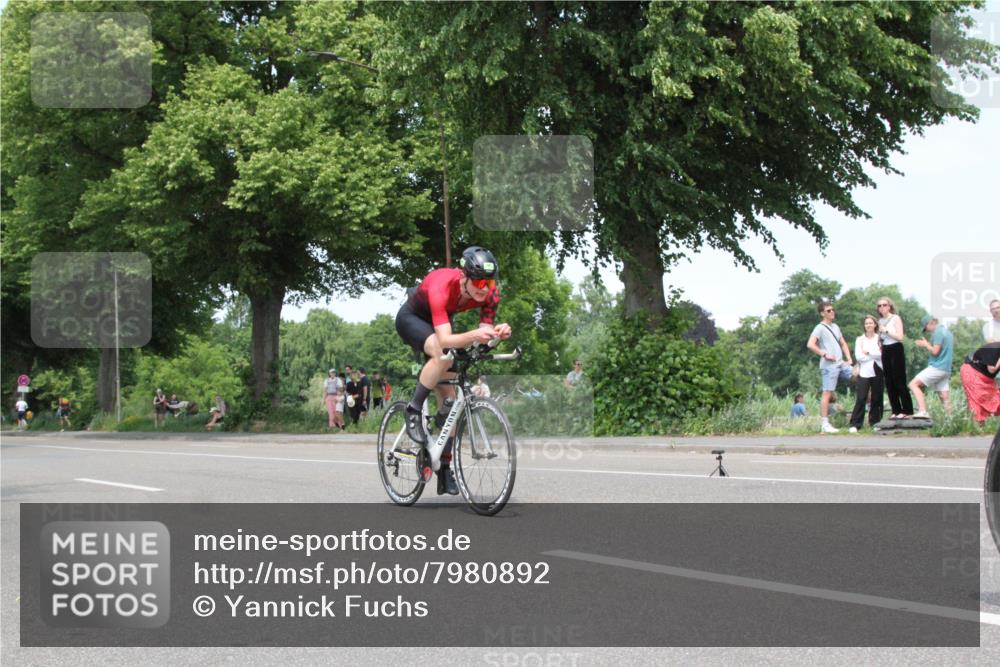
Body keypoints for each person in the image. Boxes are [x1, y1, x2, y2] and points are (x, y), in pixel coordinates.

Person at [394, 245, 512, 495]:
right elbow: (446, 340)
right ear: (463, 276)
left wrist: (497, 335)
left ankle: (444, 468)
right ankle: (414, 410)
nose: (485, 290)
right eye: (479, 284)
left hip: (442, 322)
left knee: (450, 403)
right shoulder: (441, 284)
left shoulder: (490, 294)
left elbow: (483, 341)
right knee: (442, 353)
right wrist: (473, 334)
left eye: (489, 284)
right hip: (413, 319)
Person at [806, 301, 854, 434]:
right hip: (829, 366)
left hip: (841, 363)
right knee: (827, 393)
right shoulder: (820, 327)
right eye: (828, 310)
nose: (832, 312)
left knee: (860, 376)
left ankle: (868, 406)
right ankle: (825, 424)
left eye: (833, 310)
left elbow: (843, 343)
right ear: (822, 313)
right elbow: (810, 344)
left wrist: (849, 359)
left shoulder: (836, 327)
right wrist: (824, 353)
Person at [909, 314, 954, 418]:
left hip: (937, 367)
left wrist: (925, 345)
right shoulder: (947, 332)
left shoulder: (938, 332)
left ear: (930, 323)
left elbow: (935, 351)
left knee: (913, 384)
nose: (927, 331)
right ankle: (951, 420)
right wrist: (927, 344)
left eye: (926, 328)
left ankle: (923, 411)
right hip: (946, 369)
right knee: (944, 397)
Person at [877, 297, 913, 419]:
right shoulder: (880, 321)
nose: (882, 307)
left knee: (899, 380)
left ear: (889, 306)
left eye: (884, 305)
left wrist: (886, 331)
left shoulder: (895, 318)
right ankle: (895, 410)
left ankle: (907, 409)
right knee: (889, 381)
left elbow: (900, 336)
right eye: (880, 306)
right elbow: (881, 338)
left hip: (896, 348)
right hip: (885, 349)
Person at [849, 315, 884, 432]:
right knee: (861, 397)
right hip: (864, 372)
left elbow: (881, 355)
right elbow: (859, 356)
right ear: (864, 326)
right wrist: (872, 355)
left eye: (871, 323)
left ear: (875, 325)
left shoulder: (880, 338)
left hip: (878, 370)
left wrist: (868, 352)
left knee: (876, 397)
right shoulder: (860, 339)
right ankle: (855, 423)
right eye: (866, 323)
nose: (869, 325)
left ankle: (875, 422)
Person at [960, 342, 1000, 423]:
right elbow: (992, 369)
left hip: (986, 378)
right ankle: (977, 427)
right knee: (977, 402)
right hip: (972, 372)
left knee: (994, 399)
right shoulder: (993, 348)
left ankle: (982, 427)